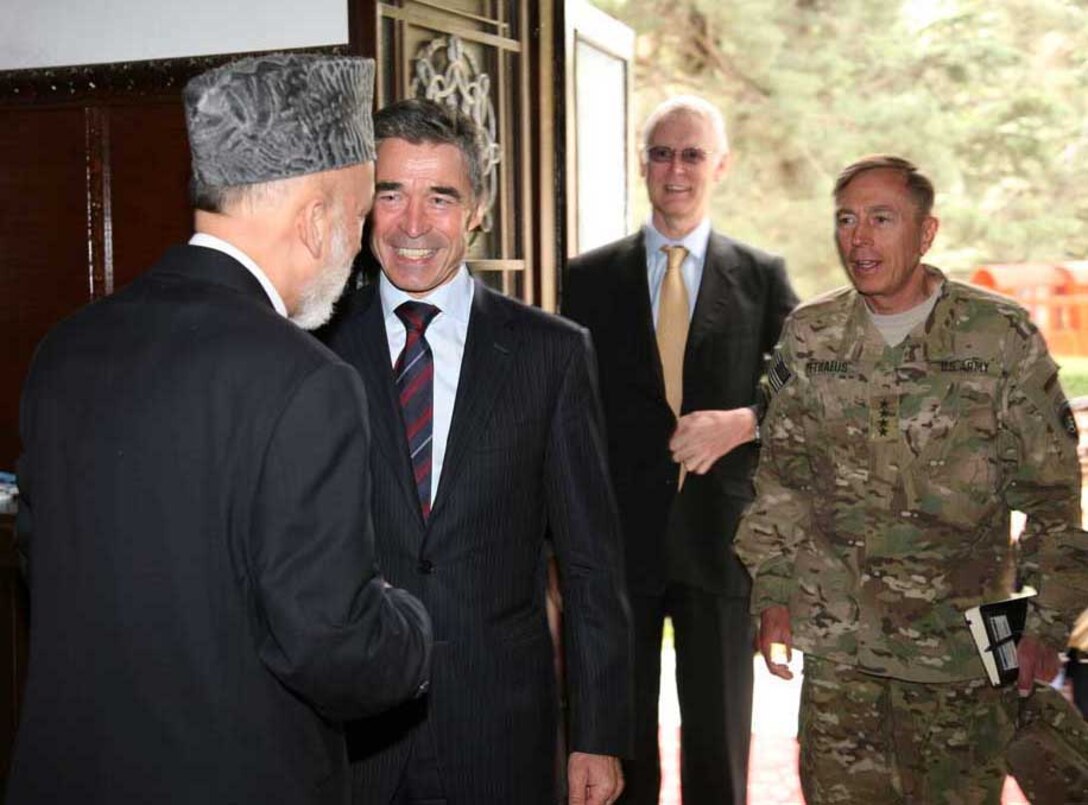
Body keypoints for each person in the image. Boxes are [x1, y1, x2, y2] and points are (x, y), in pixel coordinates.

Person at [7, 54, 433, 804]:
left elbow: (47, 561)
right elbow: (331, 646)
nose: (363, 245)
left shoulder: (65, 349)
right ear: (315, 220)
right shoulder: (306, 381)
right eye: (363, 214)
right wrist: (409, 625)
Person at [735, 154, 1088, 803]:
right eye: (846, 219)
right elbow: (783, 478)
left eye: (880, 219)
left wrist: (1046, 621)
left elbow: (1053, 496)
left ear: (927, 232)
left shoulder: (998, 335)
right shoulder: (812, 335)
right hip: (843, 656)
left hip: (963, 657)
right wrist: (774, 592)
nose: (859, 238)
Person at [322, 98, 632, 805]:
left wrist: (599, 731)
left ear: (478, 210)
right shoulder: (315, 345)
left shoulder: (550, 354)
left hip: (498, 729)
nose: (412, 225)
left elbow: (590, 564)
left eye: (440, 198)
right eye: (390, 194)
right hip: (348, 735)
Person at [562, 95, 798, 804]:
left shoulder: (762, 276)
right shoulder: (586, 277)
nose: (676, 168)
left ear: (720, 166)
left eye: (693, 153)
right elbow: (564, 413)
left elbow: (807, 397)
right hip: (616, 547)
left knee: (718, 750)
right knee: (620, 745)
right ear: (642, 166)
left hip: (720, 543)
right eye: (662, 152)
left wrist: (742, 421)